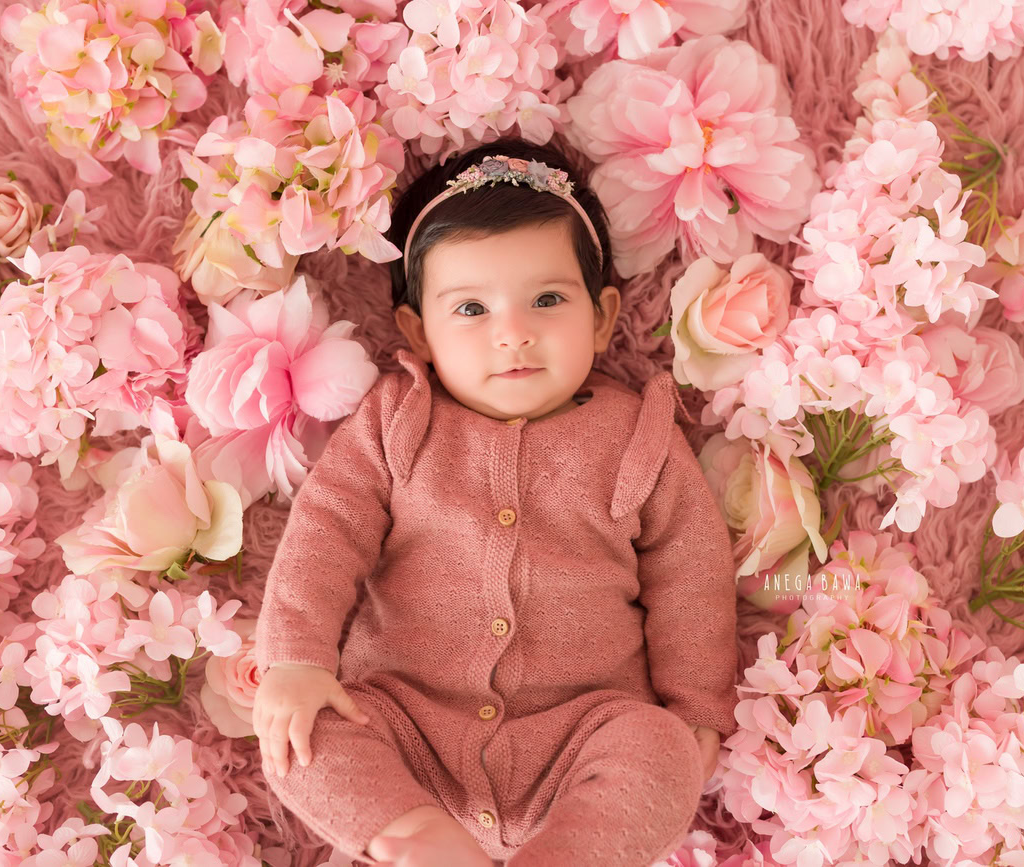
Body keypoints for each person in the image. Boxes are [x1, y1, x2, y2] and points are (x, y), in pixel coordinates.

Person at [251, 136, 739, 867]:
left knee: (663, 747)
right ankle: (419, 839)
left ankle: (570, 854)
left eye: (547, 299)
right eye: (472, 308)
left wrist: (697, 701)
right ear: (420, 332)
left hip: (584, 728)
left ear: (602, 317)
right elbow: (325, 534)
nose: (513, 332)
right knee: (300, 732)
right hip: (402, 720)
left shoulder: (636, 433)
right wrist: (295, 658)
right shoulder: (396, 420)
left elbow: (691, 574)